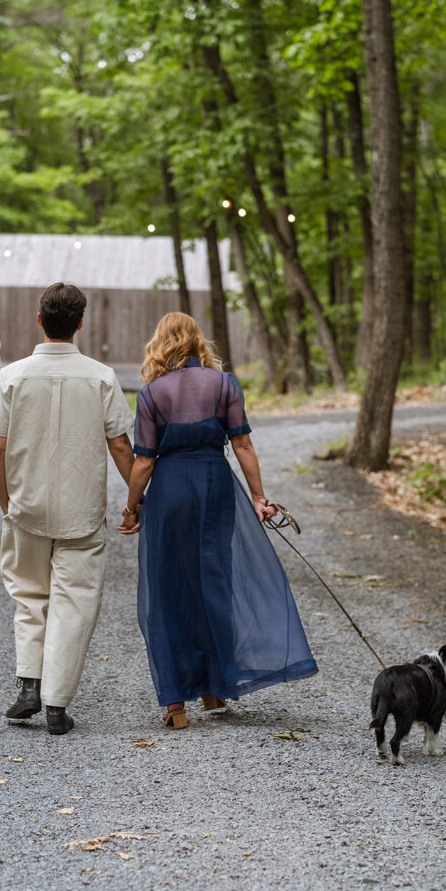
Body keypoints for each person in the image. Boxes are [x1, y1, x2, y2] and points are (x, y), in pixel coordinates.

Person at [118, 312, 317, 728]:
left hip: (170, 492)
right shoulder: (224, 384)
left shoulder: (152, 393)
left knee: (169, 586)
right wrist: (260, 497)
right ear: (197, 342)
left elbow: (143, 462)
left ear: (162, 344)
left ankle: (176, 703)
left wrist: (133, 507)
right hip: (214, 485)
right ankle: (213, 686)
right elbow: (242, 443)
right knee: (214, 579)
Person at [0, 283, 134, 735]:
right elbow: (121, 445)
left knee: (28, 595)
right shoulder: (101, 376)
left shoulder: (12, 375)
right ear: (80, 323)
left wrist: (7, 499)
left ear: (40, 320)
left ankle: (29, 684)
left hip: (26, 505)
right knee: (75, 602)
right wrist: (135, 500)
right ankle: (56, 706)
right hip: (81, 511)